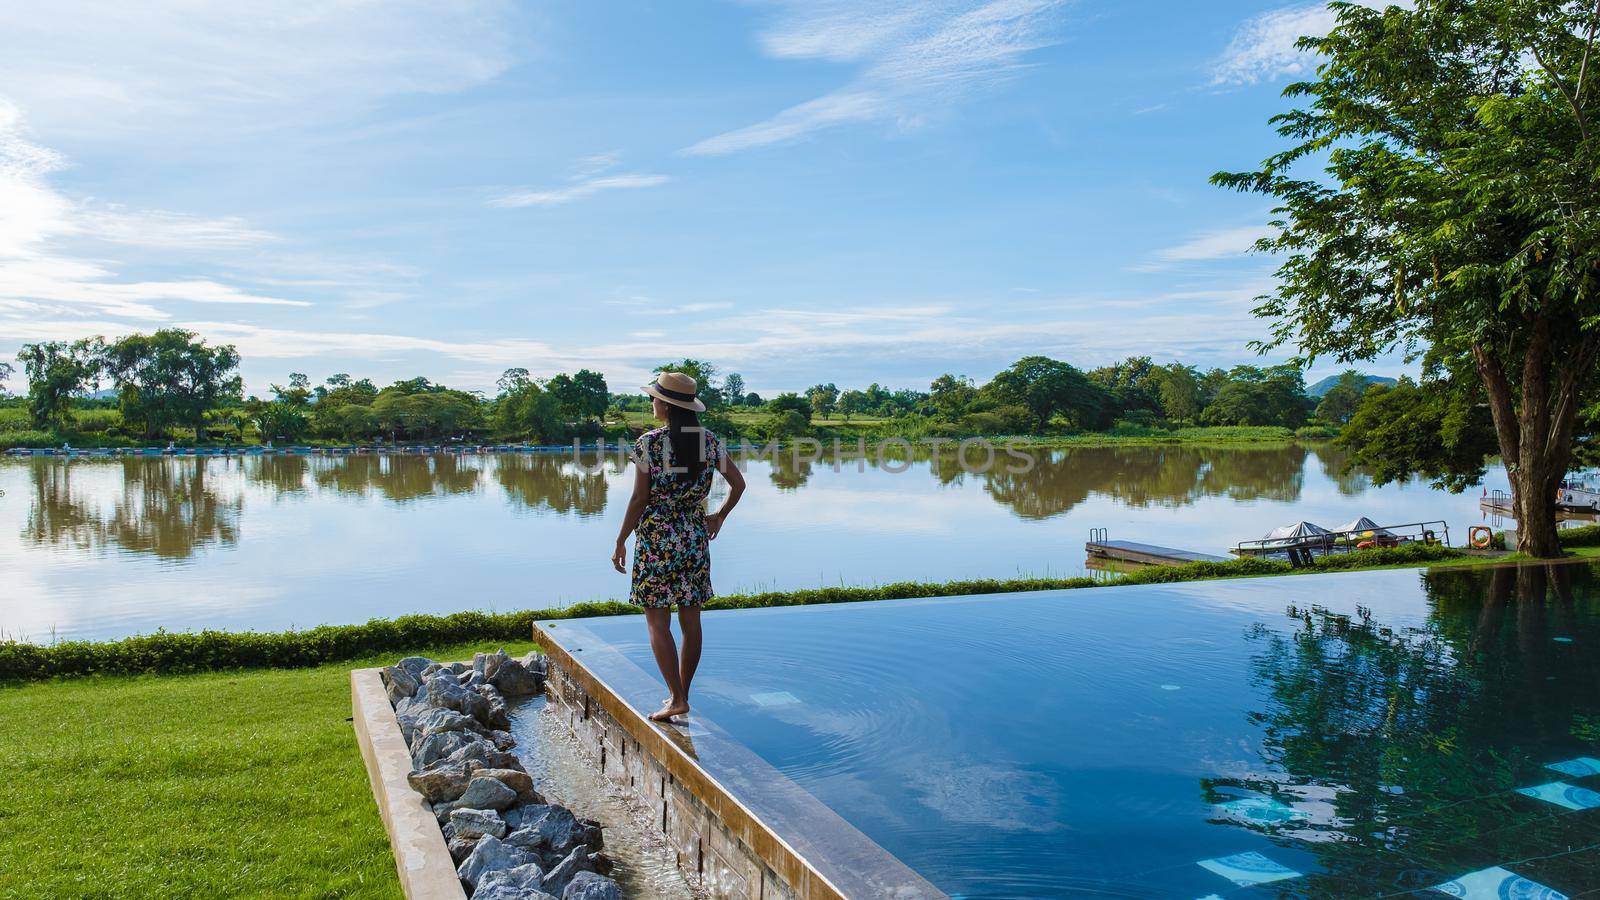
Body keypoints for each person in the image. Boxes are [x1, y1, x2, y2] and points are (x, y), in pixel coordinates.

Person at [612, 371, 745, 722]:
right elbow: (739, 484)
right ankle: (680, 695)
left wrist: (621, 538)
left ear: (667, 405)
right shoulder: (708, 441)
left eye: (655, 398)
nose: (652, 403)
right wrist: (718, 516)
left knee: (657, 622)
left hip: (656, 540)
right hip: (693, 538)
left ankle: (676, 696)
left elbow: (640, 498)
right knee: (691, 619)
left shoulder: (648, 444)